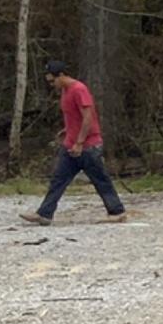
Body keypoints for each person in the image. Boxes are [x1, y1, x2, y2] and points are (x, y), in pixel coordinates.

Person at [21, 60, 127, 225]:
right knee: (58, 179)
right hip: (70, 144)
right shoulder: (65, 91)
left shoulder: (79, 89)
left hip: (88, 146)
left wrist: (80, 142)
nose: (51, 84)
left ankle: (117, 211)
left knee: (100, 179)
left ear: (61, 75)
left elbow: (88, 118)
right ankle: (45, 214)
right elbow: (74, 116)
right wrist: (67, 130)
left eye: (52, 80)